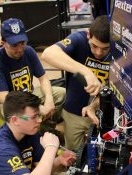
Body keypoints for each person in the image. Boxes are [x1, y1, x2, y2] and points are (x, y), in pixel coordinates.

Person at [41, 15, 110, 151]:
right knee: (73, 156)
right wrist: (87, 72)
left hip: (103, 114)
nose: (98, 52)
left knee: (104, 154)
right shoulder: (79, 39)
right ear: (88, 35)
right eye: (94, 46)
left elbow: (115, 86)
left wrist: (94, 105)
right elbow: (48, 54)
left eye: (105, 48)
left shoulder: (120, 50)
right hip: (74, 112)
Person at [0, 18, 65, 128]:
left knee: (61, 93)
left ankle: (45, 129)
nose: (19, 49)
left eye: (22, 43)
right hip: (8, 104)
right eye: (14, 45)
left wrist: (49, 99)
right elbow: (5, 98)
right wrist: (36, 106)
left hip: (29, 94)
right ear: (3, 44)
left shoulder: (29, 51)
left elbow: (43, 78)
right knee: (25, 116)